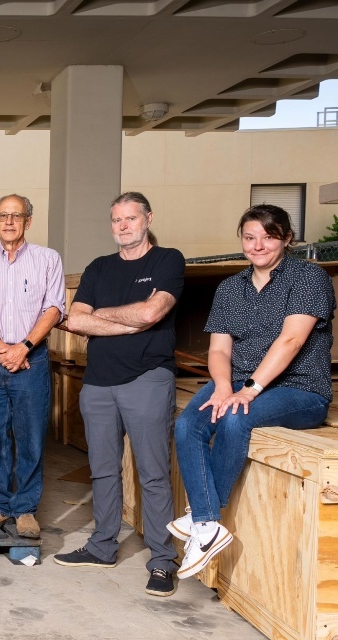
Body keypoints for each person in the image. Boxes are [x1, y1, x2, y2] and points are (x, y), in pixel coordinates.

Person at [172, 204, 334, 579]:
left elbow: (291, 340)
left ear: (287, 238)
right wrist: (225, 386)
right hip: (238, 381)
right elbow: (218, 349)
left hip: (299, 388)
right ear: (241, 240)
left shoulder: (309, 278)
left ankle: (201, 517)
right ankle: (208, 524)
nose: (258, 245)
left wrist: (248, 391)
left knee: (233, 416)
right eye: (249, 237)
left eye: (268, 236)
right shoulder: (231, 288)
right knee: (188, 425)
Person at [55, 192, 184, 598]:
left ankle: (163, 560)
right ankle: (101, 547)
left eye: (131, 218)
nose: (123, 225)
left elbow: (152, 313)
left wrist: (104, 316)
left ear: (148, 218)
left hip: (147, 378)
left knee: (153, 472)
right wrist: (130, 320)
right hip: (98, 382)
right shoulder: (98, 268)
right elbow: (74, 320)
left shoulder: (168, 260)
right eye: (117, 220)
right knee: (103, 471)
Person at [0, 195, 65, 538]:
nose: (9, 221)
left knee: (30, 437)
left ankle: (24, 509)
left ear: (28, 220)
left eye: (17, 215)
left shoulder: (47, 259)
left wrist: (23, 347)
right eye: (3, 216)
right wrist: (0, 348)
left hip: (32, 359)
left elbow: (54, 308)